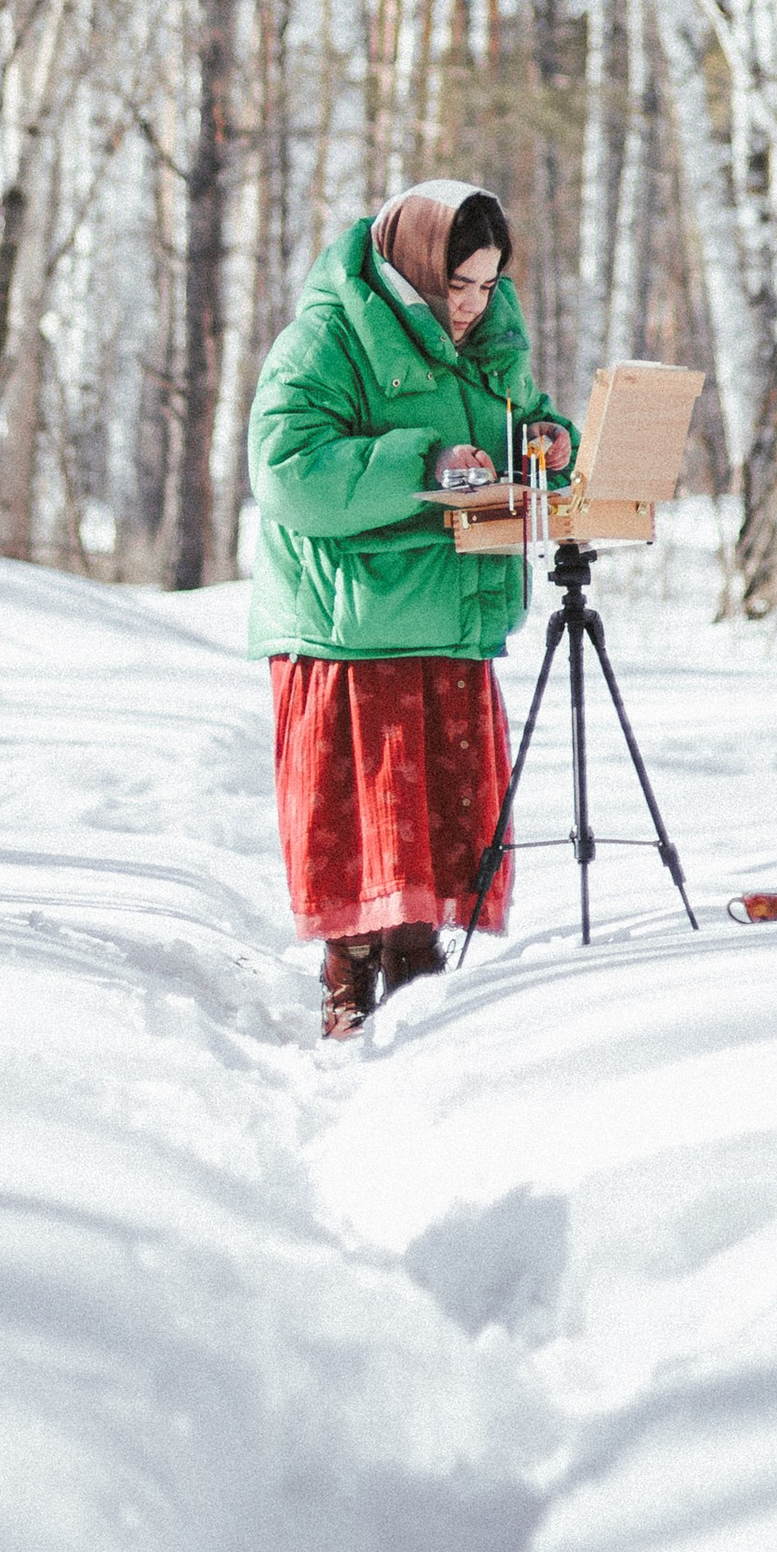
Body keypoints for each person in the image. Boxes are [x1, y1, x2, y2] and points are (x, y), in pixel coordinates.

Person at [248, 179, 576, 1039]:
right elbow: (288, 467)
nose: (470, 306)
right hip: (350, 622)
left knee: (432, 818)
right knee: (366, 818)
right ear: (414, 270)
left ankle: (419, 966)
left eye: (486, 284)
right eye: (455, 286)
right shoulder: (327, 335)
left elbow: (518, 421)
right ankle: (350, 970)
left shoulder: (492, 337)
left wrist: (547, 442)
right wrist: (423, 463)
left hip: (450, 611)